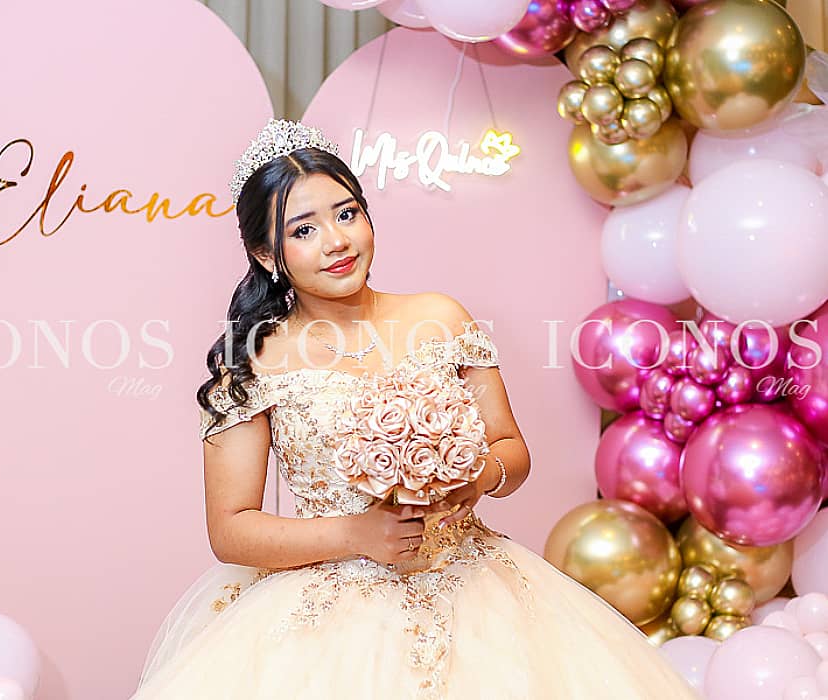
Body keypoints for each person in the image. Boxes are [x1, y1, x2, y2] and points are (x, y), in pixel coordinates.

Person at [129, 119, 701, 699]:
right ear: (264, 253)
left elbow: (511, 450)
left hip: (473, 589)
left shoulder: (441, 318)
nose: (337, 241)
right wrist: (355, 534)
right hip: (329, 616)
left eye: (347, 213)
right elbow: (230, 530)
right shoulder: (253, 360)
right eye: (304, 229)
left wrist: (475, 476)